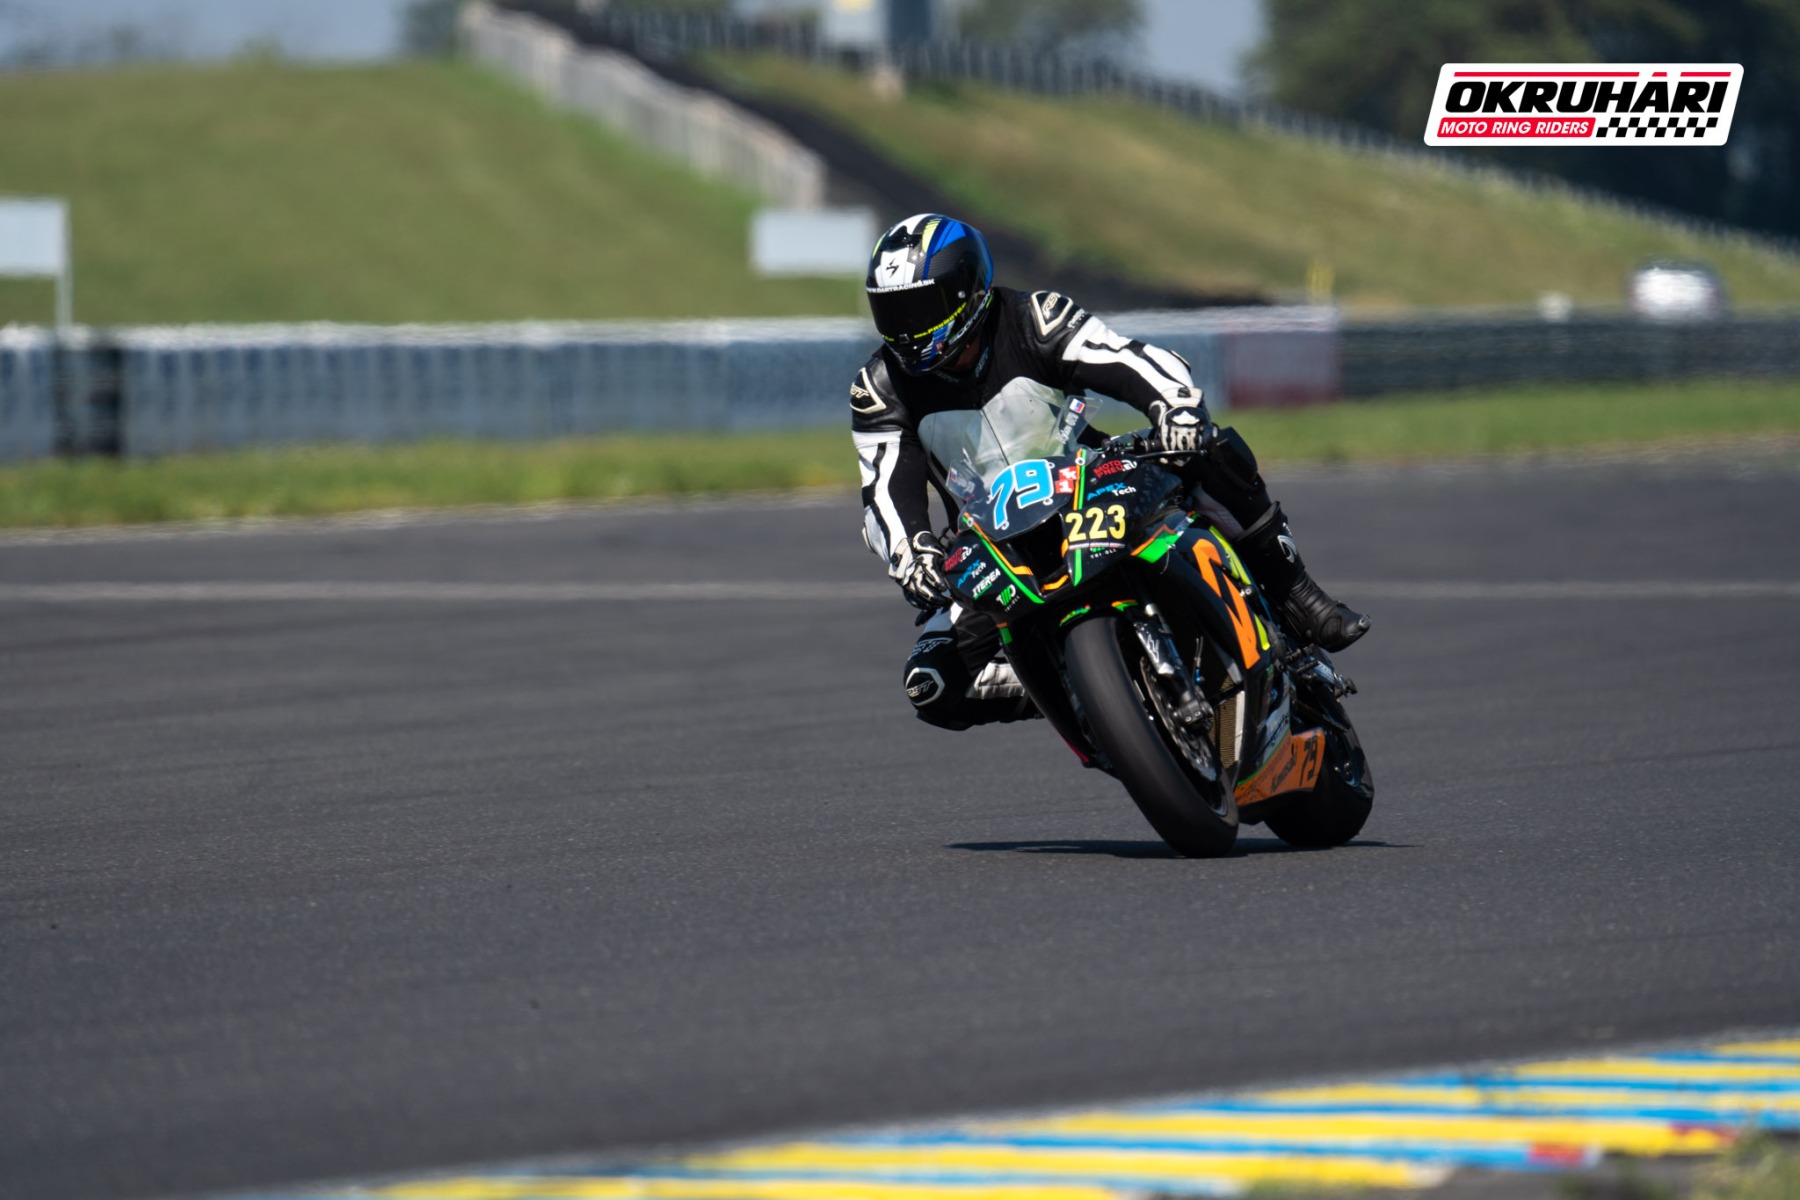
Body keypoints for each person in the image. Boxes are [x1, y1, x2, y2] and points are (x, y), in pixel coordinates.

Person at [852, 213, 1369, 732]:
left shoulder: (1035, 319)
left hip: (1095, 484)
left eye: (919, 308)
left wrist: (1175, 408)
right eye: (891, 312)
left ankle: (1298, 594)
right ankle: (1092, 694)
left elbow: (1128, 360)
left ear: (967, 291)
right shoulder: (880, 388)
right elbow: (884, 489)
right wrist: (912, 553)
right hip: (995, 544)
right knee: (931, 684)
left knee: (1210, 450)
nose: (906, 330)